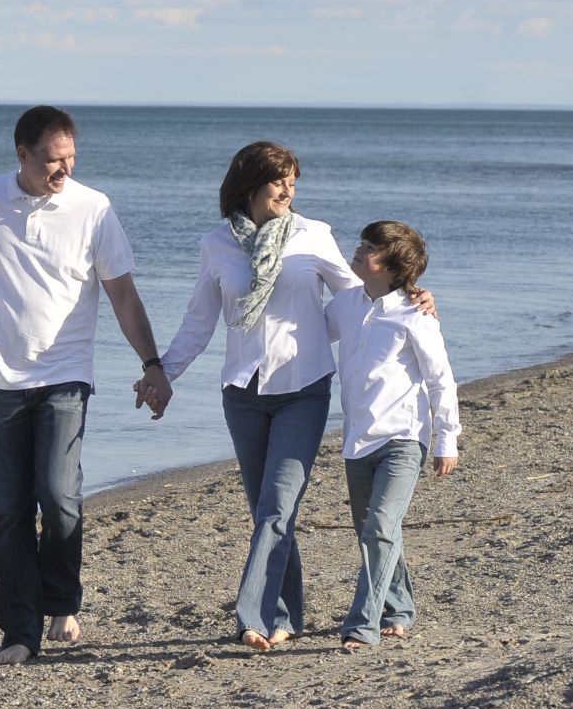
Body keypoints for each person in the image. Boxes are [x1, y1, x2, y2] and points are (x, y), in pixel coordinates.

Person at [147, 141, 433, 652]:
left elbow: (361, 297)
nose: (288, 189)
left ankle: (253, 616)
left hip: (303, 388)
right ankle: (315, 610)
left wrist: (413, 295)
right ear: (251, 183)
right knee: (267, 511)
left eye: (293, 181)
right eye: (279, 179)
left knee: (277, 507)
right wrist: (163, 373)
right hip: (242, 391)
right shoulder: (217, 244)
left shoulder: (312, 236)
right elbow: (199, 321)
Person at [0, 105, 172, 665]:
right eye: (54, 160)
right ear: (21, 155)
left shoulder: (93, 208)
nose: (65, 169)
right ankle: (19, 632)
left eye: (72, 157)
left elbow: (122, 293)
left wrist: (152, 363)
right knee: (8, 511)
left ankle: (62, 600)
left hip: (65, 377)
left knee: (58, 496)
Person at [326, 221, 460, 650]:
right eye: (363, 243)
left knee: (381, 527)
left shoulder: (415, 315)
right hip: (357, 439)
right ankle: (399, 609)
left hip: (404, 438)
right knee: (373, 531)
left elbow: (441, 380)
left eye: (370, 248)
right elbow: (305, 329)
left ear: (393, 266)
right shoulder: (345, 304)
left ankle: (362, 625)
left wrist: (446, 440)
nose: (359, 250)